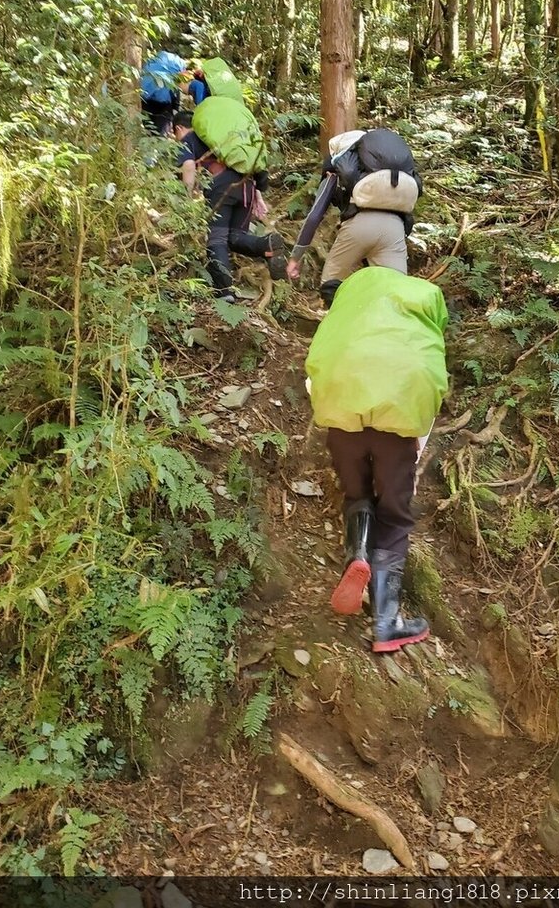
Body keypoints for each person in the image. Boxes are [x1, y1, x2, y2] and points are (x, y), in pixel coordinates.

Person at [305, 266, 449, 653]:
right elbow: (431, 383)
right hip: (396, 425)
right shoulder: (425, 310)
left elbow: (315, 369)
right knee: (395, 514)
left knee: (357, 495)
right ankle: (387, 622)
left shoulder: (349, 309)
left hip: (342, 418)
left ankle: (358, 556)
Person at [286, 129, 420, 306]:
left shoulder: (335, 171)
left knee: (331, 285)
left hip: (359, 227)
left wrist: (295, 257)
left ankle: (338, 330)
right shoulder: (393, 174)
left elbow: (314, 216)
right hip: (395, 230)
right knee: (394, 293)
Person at [173, 111, 288, 302]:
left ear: (180, 128)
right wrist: (257, 195)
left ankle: (225, 292)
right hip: (248, 186)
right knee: (235, 238)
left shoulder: (190, 138)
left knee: (216, 239)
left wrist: (187, 196)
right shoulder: (226, 137)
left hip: (221, 187)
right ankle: (266, 245)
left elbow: (189, 165)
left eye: (175, 134)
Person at [141, 51, 187, 136]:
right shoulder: (174, 71)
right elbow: (175, 92)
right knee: (159, 135)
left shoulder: (152, 67)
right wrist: (175, 110)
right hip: (164, 108)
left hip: (145, 103)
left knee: (147, 132)